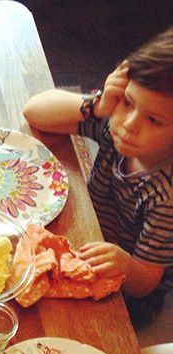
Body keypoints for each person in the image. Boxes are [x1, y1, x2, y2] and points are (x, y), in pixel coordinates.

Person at [22, 27, 173, 328]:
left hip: (129, 289)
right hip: (88, 230)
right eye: (128, 102)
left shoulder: (166, 197)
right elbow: (35, 111)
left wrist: (125, 264)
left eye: (154, 120)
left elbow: (144, 282)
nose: (128, 125)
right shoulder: (115, 124)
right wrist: (100, 104)